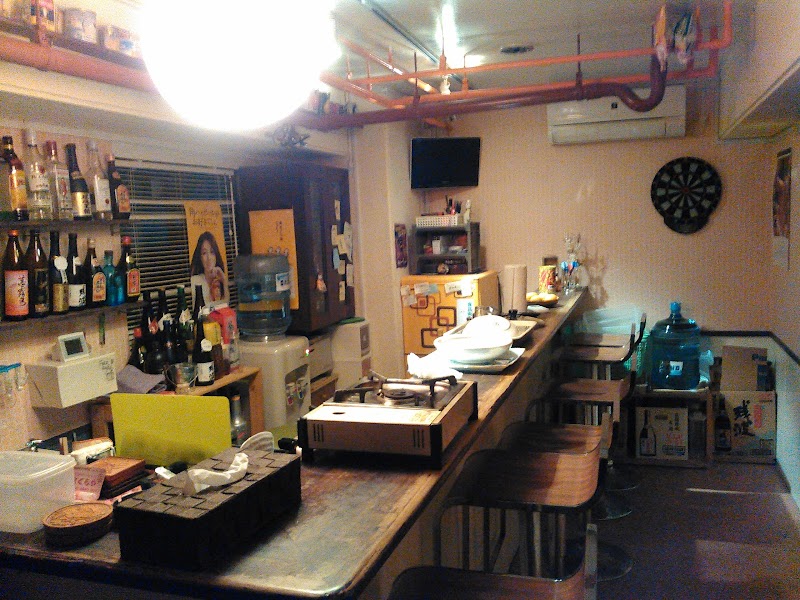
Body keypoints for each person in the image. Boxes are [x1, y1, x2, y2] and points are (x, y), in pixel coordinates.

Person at [190, 231, 228, 304]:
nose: (209, 258)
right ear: (200, 258)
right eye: (204, 253)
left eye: (212, 252)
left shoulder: (220, 280)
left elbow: (225, 305)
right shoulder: (195, 281)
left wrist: (224, 280)